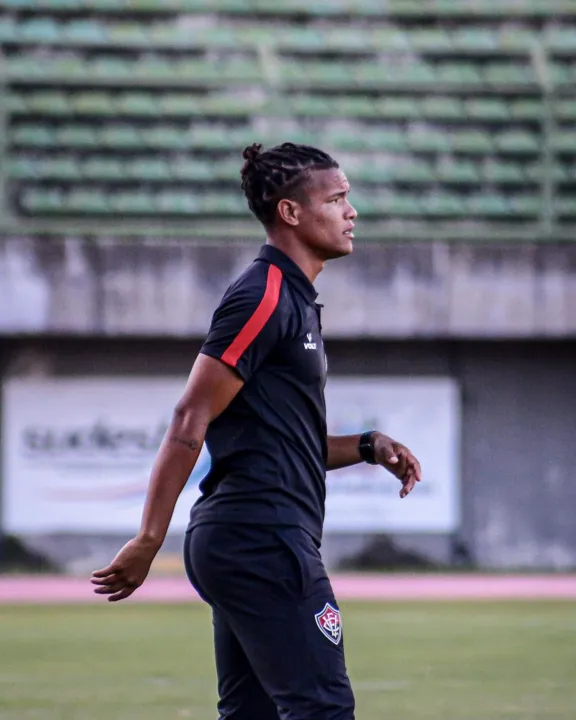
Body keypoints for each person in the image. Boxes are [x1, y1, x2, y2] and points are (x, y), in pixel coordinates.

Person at [91, 142, 422, 720]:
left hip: (250, 538)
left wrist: (369, 446)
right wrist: (148, 539)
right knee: (322, 708)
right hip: (260, 538)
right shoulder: (263, 294)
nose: (352, 212)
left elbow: (284, 444)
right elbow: (189, 416)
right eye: (337, 198)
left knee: (254, 714)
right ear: (291, 212)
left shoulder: (294, 299)